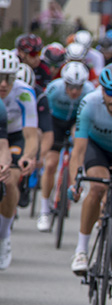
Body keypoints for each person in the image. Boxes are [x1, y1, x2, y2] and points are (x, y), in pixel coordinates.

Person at [68, 63, 112, 305]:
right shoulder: (89, 103)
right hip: (97, 150)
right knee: (97, 187)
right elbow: (78, 150)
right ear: (101, 89)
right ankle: (81, 250)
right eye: (109, 91)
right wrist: (75, 182)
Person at [37, 61, 93, 231]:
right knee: (52, 164)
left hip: (76, 122)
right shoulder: (54, 89)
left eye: (78, 87)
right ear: (64, 82)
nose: (74, 91)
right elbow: (44, 113)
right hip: (56, 122)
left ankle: (76, 178)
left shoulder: (90, 92)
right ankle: (44, 209)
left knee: (79, 142)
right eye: (70, 86)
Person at [0, 50, 38, 269]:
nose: (4, 84)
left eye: (10, 78)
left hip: (15, 136)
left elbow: (31, 135)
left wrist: (27, 156)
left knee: (10, 178)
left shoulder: (24, 93)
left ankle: (4, 236)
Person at [15, 63, 53, 210]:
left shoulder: (39, 97)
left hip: (27, 129)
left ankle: (24, 179)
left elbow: (47, 131)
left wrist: (39, 156)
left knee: (36, 132)